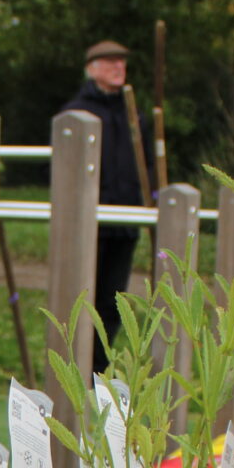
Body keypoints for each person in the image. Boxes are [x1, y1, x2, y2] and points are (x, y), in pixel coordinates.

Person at [57, 40, 153, 368]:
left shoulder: (134, 116)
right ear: (92, 68)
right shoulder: (76, 114)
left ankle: (98, 370)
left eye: (122, 63)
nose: (119, 68)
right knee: (82, 298)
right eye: (111, 62)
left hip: (124, 222)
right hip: (88, 223)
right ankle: (75, 368)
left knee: (111, 303)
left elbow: (147, 165)